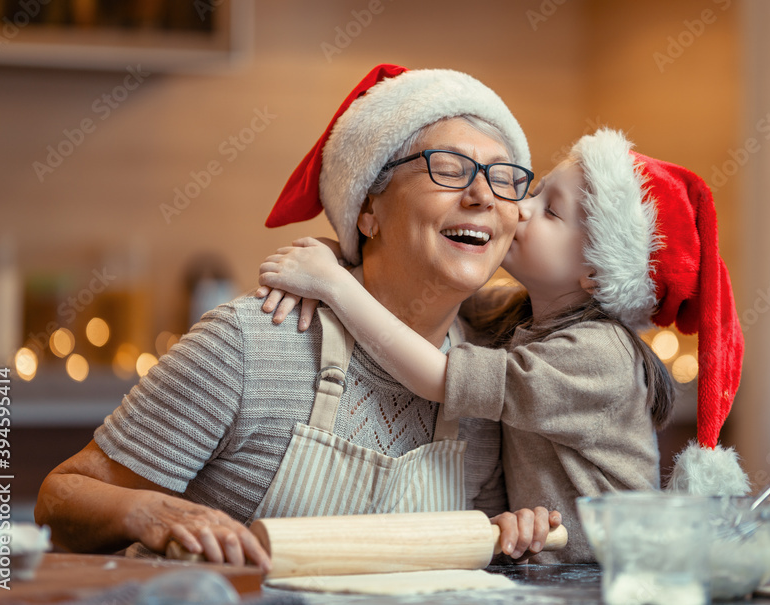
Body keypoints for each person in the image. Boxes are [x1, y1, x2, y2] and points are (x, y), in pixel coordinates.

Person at [35, 64, 560, 569]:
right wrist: (148, 512)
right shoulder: (251, 345)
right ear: (366, 210)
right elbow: (62, 499)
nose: (482, 196)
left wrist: (511, 532)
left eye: (505, 178)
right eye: (448, 169)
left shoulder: (487, 382)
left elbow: (471, 555)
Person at [256, 128, 751, 563]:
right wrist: (342, 253)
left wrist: (336, 287)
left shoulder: (600, 356)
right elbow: (418, 293)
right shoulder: (521, 316)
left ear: (597, 273)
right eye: (533, 193)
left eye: (550, 210)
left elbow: (440, 378)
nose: (519, 209)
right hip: (549, 571)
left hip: (609, 578)